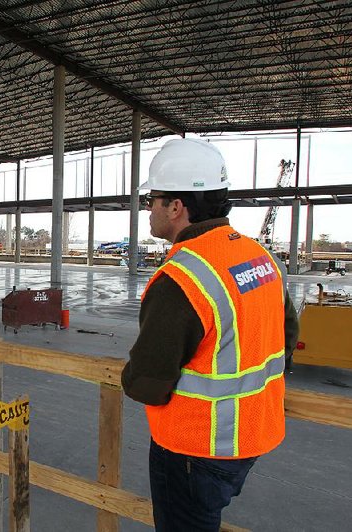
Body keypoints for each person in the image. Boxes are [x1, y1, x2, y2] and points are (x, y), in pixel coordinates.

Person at [121, 138, 299, 531]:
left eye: (153, 199)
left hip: (195, 449)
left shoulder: (182, 278)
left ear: (176, 206)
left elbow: (147, 383)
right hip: (254, 435)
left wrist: (127, 376)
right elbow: (288, 338)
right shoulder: (262, 257)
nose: (148, 209)